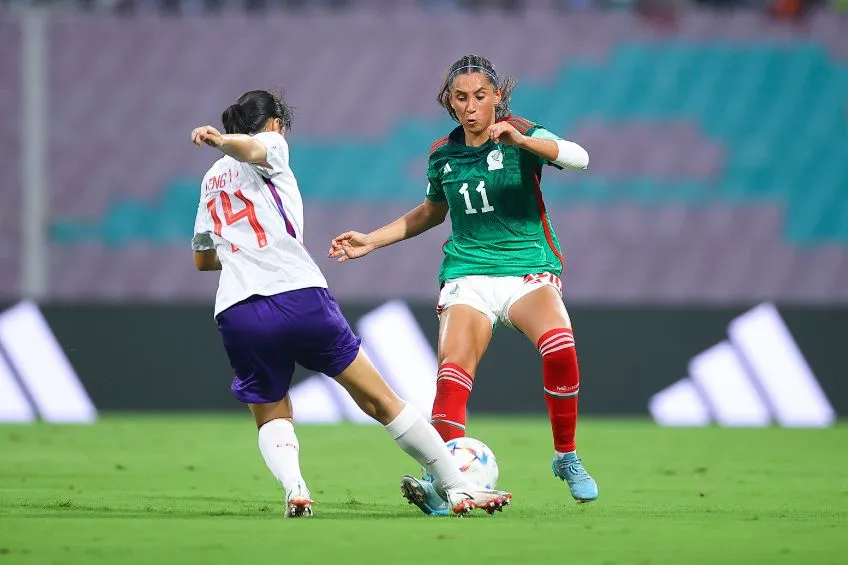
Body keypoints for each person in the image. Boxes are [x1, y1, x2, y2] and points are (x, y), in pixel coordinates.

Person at [190, 89, 512, 518]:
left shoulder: (211, 180)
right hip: (297, 295)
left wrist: (239, 251)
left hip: (238, 310)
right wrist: (221, 140)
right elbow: (250, 147)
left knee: (270, 410)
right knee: (381, 401)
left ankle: (295, 489)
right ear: (273, 124)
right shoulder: (271, 144)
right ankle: (457, 486)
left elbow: (202, 258)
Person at [328, 54, 598, 515]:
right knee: (453, 373)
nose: (471, 106)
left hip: (526, 268)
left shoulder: (524, 134)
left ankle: (565, 457)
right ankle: (442, 483)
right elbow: (433, 211)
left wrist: (525, 142)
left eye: (480, 96)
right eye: (461, 98)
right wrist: (371, 241)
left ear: (497, 98)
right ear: (449, 103)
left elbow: (580, 159)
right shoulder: (443, 154)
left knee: (560, 346)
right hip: (468, 274)